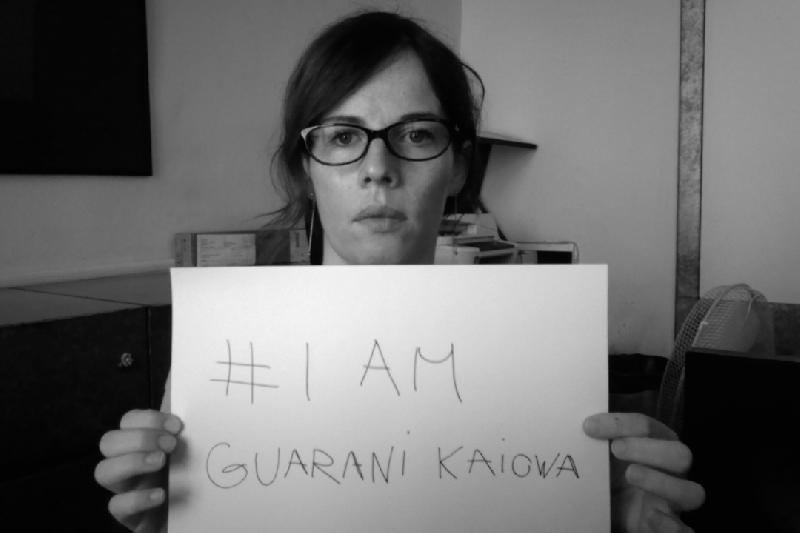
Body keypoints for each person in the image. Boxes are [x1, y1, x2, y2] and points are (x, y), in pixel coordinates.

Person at [94, 10, 705, 533]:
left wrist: (605, 511)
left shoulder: (541, 360)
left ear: (459, 165)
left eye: (415, 133)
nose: (377, 168)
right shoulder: (223, 361)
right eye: (342, 136)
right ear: (306, 166)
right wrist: (171, 524)